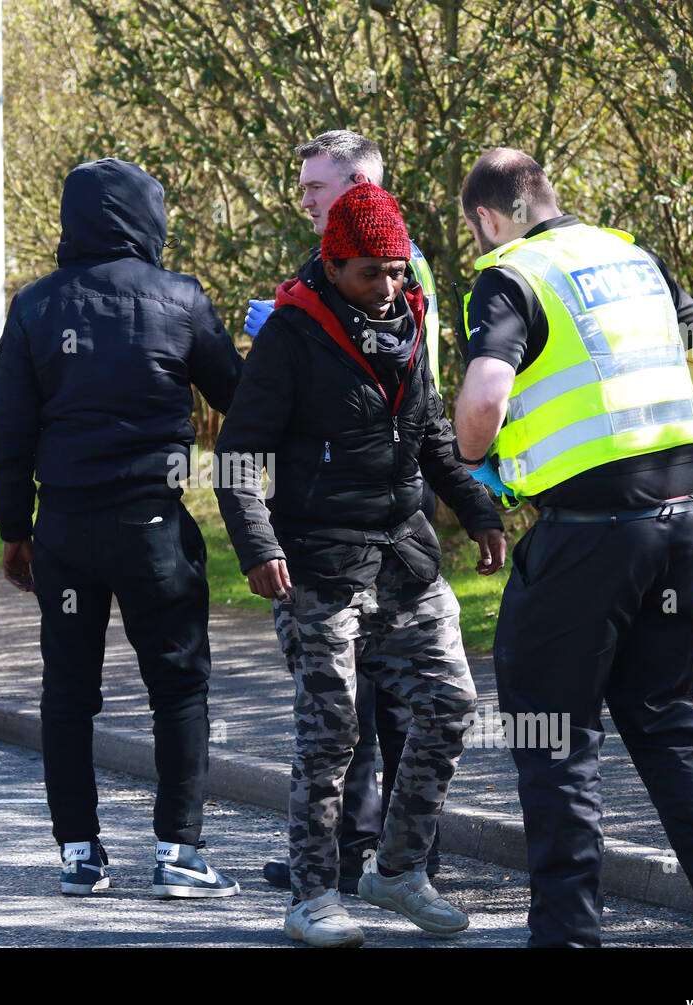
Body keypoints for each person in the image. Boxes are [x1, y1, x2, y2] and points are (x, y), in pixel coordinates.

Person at [452, 146, 693, 948]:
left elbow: (485, 398)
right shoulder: (632, 256)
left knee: (553, 741)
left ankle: (568, 938)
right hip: (678, 525)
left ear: (488, 219)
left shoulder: (511, 274)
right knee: (667, 723)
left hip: (584, 543)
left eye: (477, 233)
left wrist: (476, 457)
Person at [215, 182, 505, 947]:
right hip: (317, 566)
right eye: (371, 273)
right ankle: (312, 897)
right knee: (333, 731)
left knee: (449, 708)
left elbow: (434, 433)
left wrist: (477, 509)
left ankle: (399, 871)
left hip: (405, 558)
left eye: (398, 270)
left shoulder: (409, 321)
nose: (388, 287)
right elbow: (239, 455)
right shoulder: (290, 335)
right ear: (333, 264)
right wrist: (258, 546)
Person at [0, 158, 245, 899]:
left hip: (65, 531)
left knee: (68, 692)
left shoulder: (34, 308)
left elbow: (11, 431)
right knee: (179, 688)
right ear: (148, 218)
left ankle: (80, 853)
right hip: (153, 528)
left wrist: (15, 527)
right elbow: (240, 397)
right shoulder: (181, 300)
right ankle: (178, 852)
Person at [245, 130, 450, 895]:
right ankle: (346, 856)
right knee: (347, 702)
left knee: (394, 700)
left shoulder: (397, 269)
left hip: (386, 512)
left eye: (315, 187)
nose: (304, 199)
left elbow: (409, 391)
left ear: (361, 185)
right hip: (335, 518)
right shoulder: (329, 269)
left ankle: (393, 857)